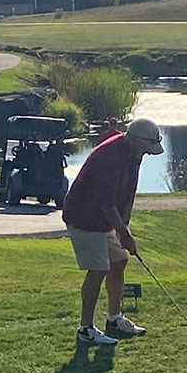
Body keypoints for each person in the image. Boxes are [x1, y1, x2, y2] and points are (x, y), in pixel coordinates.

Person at [62, 118, 164, 345]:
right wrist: (123, 234)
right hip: (84, 216)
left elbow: (128, 194)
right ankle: (85, 329)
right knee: (98, 269)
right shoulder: (111, 157)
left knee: (119, 260)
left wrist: (125, 228)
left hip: (103, 218)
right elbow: (106, 204)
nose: (148, 153)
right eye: (147, 148)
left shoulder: (134, 155)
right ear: (136, 140)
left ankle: (114, 319)